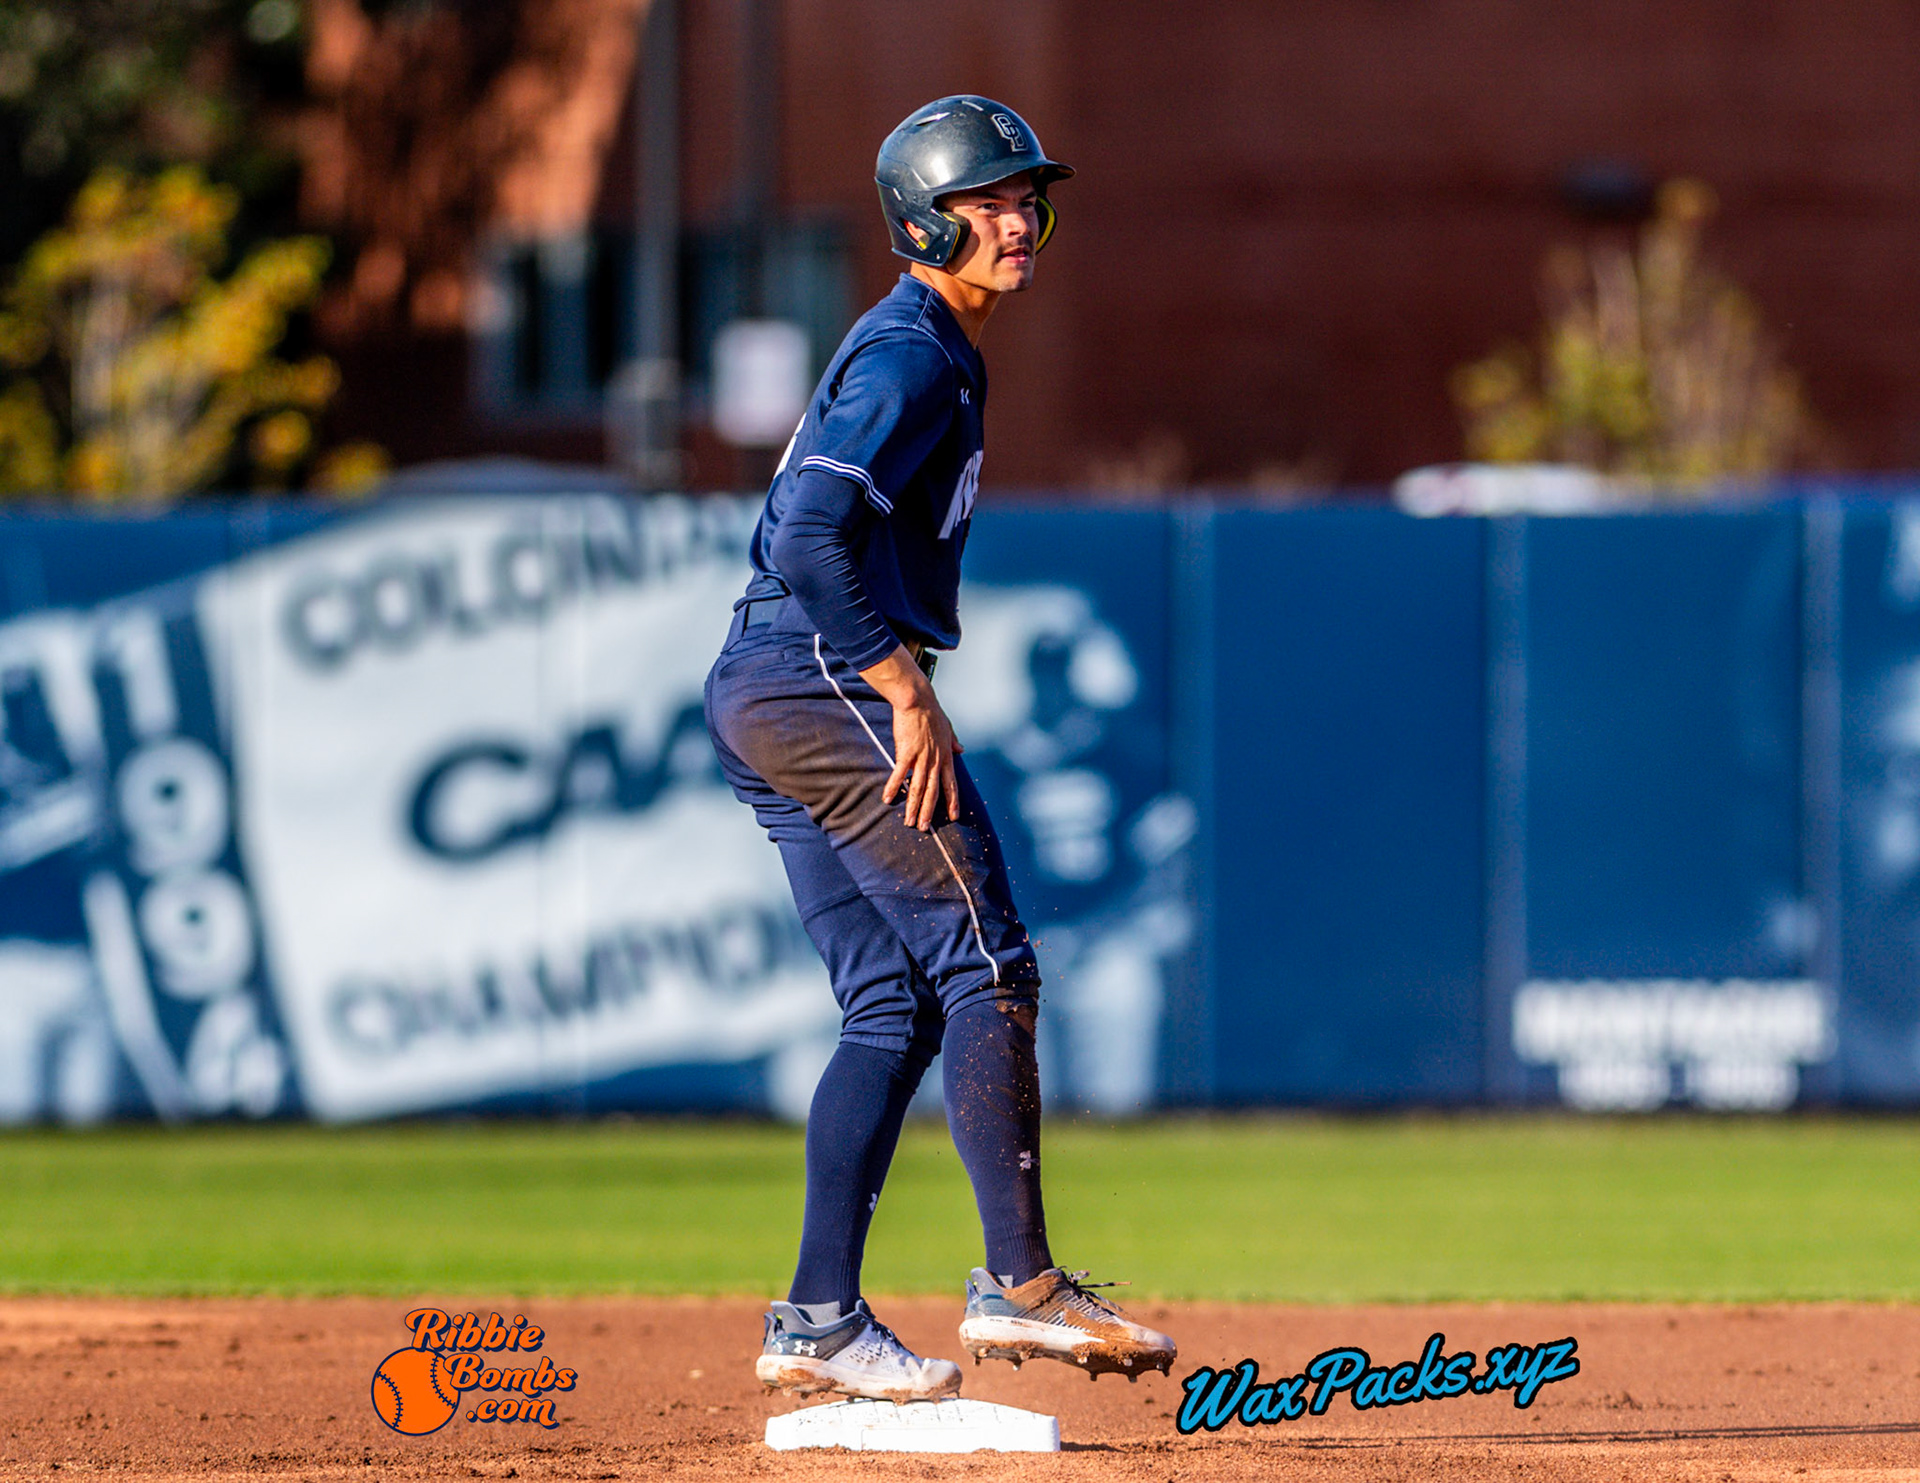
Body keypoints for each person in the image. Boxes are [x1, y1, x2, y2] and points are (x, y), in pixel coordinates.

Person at [703, 96, 1177, 1404]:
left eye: (1026, 195)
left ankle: (816, 1319)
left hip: (765, 681)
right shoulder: (913, 352)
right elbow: (805, 533)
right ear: (923, 219)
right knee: (986, 960)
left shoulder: (934, 347)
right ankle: (1021, 1287)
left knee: (894, 1001)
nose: (1018, 217)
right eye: (988, 201)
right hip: (818, 672)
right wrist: (902, 690)